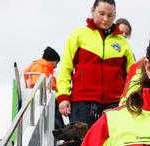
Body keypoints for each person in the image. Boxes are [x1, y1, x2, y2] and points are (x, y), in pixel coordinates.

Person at [56, 0, 137, 128]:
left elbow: (133, 75)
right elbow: (66, 69)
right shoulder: (78, 35)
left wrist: (130, 98)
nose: (105, 19)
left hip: (114, 103)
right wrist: (63, 97)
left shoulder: (122, 42)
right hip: (82, 102)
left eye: (110, 15)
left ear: (115, 16)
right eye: (101, 13)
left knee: (111, 145)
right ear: (92, 10)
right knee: (82, 145)